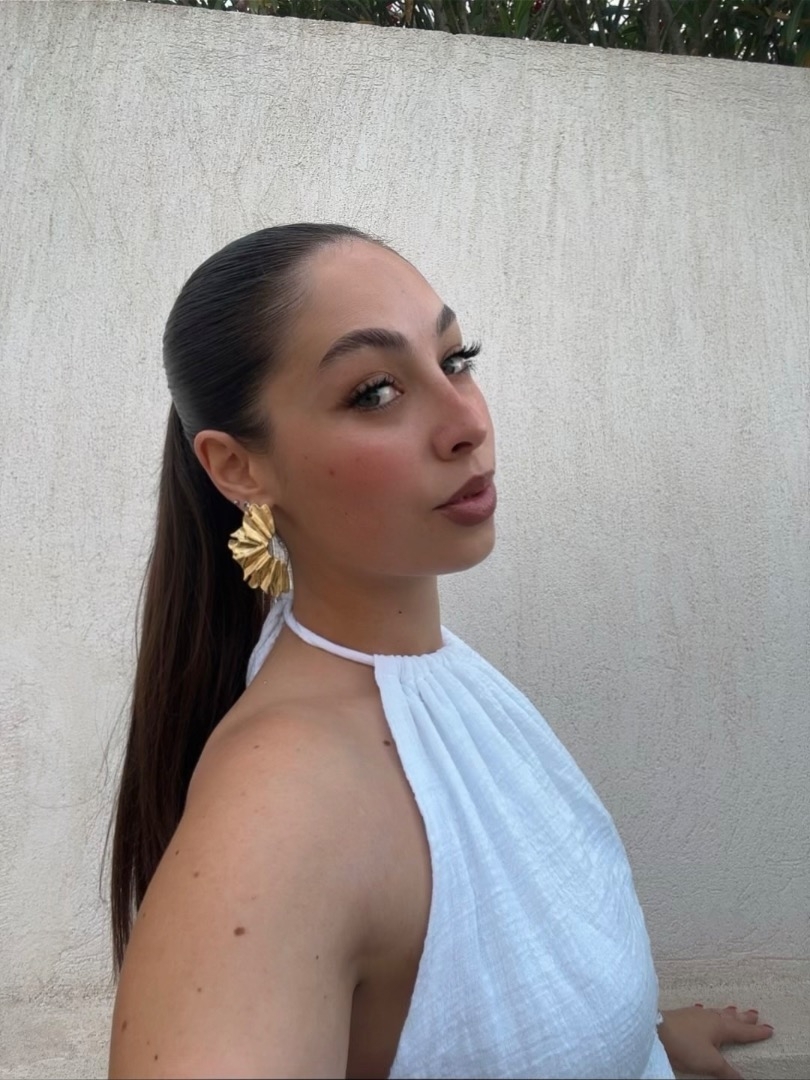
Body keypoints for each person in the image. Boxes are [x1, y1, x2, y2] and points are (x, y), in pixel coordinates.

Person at [107, 223, 773, 1079]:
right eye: (376, 391)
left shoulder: (442, 681)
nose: (466, 421)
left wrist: (633, 1036)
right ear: (239, 469)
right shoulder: (280, 813)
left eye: (456, 359)